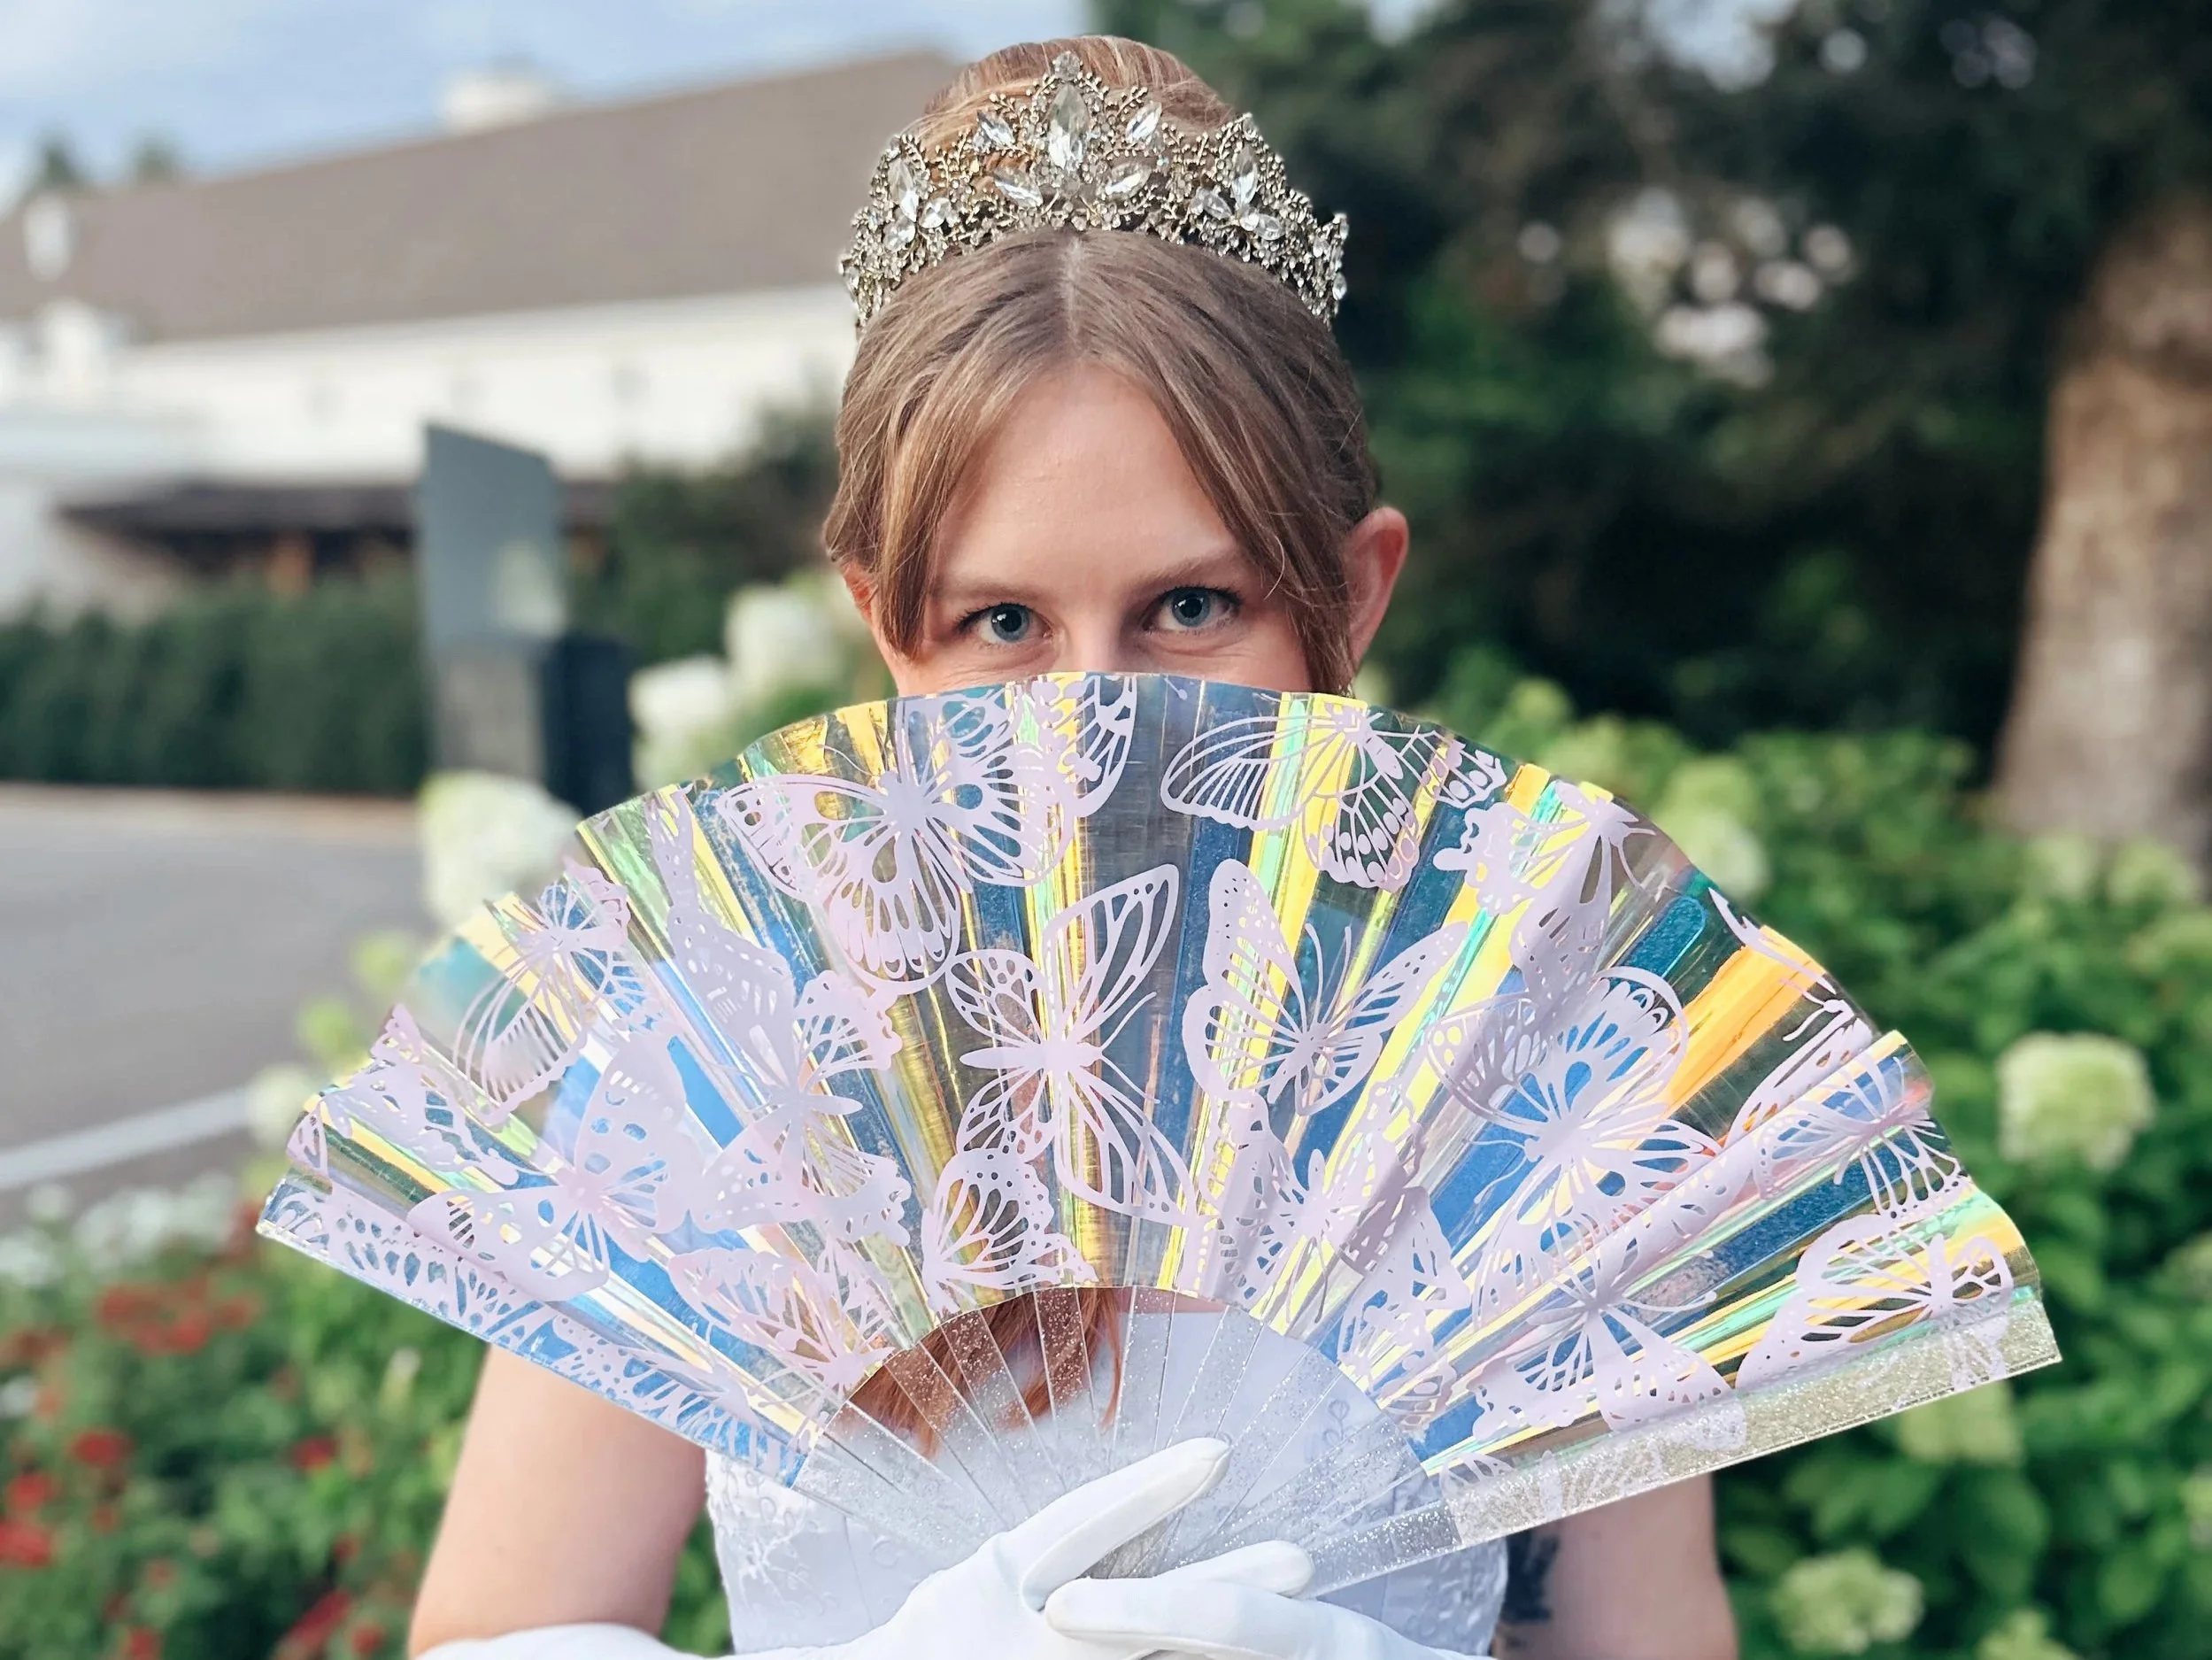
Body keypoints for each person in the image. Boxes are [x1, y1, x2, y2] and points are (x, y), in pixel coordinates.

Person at [409, 35, 1738, 1660]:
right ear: (890, 633)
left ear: (1356, 594)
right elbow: (494, 1632)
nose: (1093, 724)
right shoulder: (727, 1062)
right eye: (1003, 622)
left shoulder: (1531, 1074)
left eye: (1193, 605)